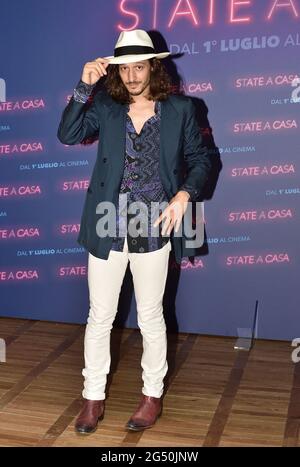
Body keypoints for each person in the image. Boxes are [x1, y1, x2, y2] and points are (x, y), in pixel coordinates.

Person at [57, 29, 212, 434]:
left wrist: (184, 195)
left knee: (150, 315)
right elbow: (68, 134)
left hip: (155, 223)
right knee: (100, 316)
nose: (131, 75)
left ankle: (151, 396)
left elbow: (201, 159)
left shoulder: (181, 109)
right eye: (124, 68)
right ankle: (92, 399)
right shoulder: (106, 106)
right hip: (107, 219)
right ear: (117, 71)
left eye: (138, 66)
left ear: (152, 67)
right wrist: (82, 87)